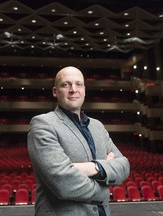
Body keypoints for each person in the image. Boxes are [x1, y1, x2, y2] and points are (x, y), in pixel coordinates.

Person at [27, 66, 130, 216]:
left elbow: (124, 165)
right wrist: (104, 187)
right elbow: (62, 183)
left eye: (78, 84)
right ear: (55, 91)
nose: (73, 89)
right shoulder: (43, 124)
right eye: (65, 84)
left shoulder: (98, 126)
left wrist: (92, 168)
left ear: (84, 90)